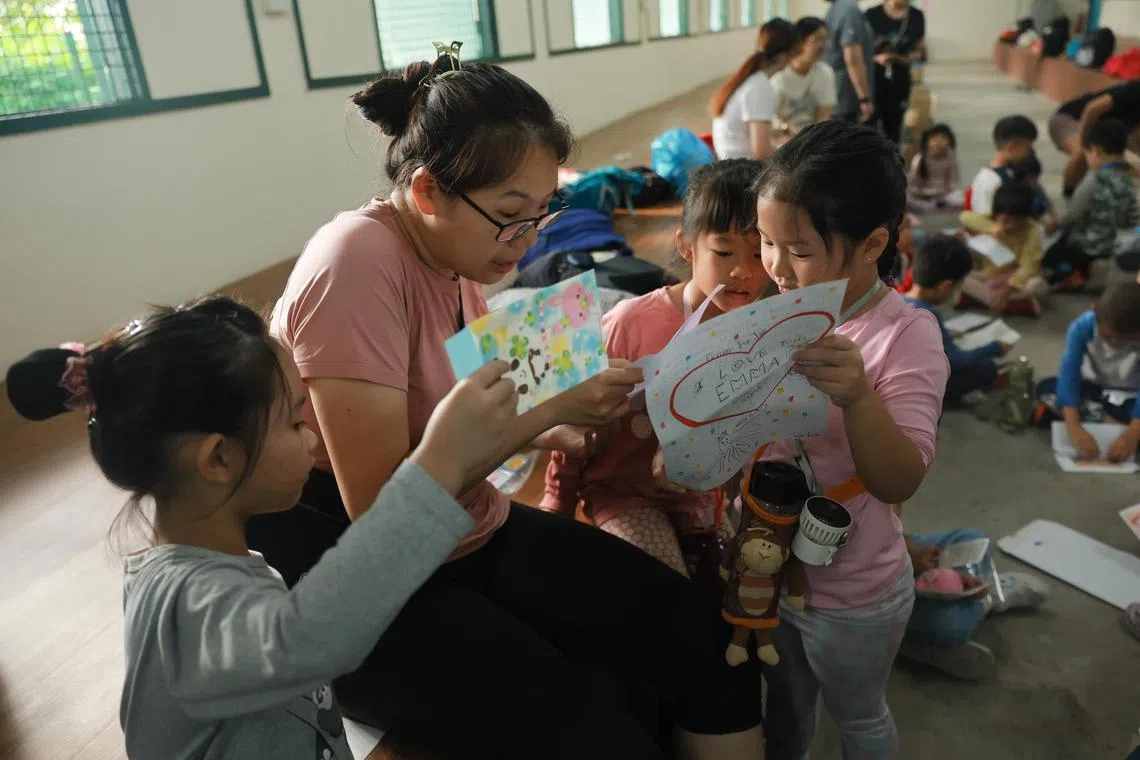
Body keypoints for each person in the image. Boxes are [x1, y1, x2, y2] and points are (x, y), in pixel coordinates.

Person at [247, 50, 770, 760]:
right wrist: (540, 422)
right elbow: (378, 512)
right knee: (597, 731)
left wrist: (571, 422)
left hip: (462, 526)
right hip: (353, 571)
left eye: (543, 209)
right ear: (428, 190)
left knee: (704, 640)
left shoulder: (455, 259)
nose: (527, 240)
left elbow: (496, 387)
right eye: (510, 216)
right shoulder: (357, 263)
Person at [4, 297, 522, 759]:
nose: (313, 438)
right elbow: (306, 638)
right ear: (219, 457)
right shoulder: (188, 605)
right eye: (297, 421)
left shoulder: (213, 567)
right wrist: (438, 466)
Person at [751, 121, 949, 759]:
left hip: (855, 591)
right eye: (764, 242)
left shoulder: (905, 336)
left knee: (859, 719)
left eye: (800, 248)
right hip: (768, 569)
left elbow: (899, 481)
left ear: (872, 244)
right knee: (785, 713)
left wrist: (860, 398)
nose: (775, 267)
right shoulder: (772, 308)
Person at [541, 159, 769, 575]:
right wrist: (558, 500)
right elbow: (572, 416)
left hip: (702, 499)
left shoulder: (762, 329)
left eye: (759, 253)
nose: (744, 271)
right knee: (665, 589)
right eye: (723, 251)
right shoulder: (631, 322)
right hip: (622, 492)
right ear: (686, 246)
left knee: (737, 595)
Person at [898, 526, 1049, 681]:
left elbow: (887, 527)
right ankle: (985, 599)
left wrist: (913, 554)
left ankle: (923, 636)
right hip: (878, 596)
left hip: (889, 555)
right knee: (950, 625)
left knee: (973, 540)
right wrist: (921, 578)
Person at [1035, 283, 1140, 463]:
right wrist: (1073, 426)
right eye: (1108, 337)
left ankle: (1112, 424)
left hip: (1132, 398)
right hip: (1095, 390)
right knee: (1046, 387)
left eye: (1121, 340)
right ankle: (1109, 422)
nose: (1113, 344)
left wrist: (1133, 433)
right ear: (1094, 311)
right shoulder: (1081, 327)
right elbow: (1069, 373)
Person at [904, 235, 1013, 404]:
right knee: (986, 368)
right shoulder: (928, 314)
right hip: (915, 388)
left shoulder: (897, 298)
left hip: (896, 377)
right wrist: (995, 347)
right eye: (957, 286)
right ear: (946, 287)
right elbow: (956, 362)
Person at [1043, 118, 1140, 288]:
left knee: (1050, 255)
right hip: (1115, 245)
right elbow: (1132, 219)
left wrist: (1056, 225)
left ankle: (1076, 274)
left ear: (1095, 151)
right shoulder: (1129, 181)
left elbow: (1073, 214)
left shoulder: (1093, 180)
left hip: (1086, 246)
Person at [712, 19, 800, 160]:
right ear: (785, 55)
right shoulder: (760, 87)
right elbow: (762, 151)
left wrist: (784, 129)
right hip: (742, 168)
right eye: (796, 52)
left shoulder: (752, 78)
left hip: (730, 160)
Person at [960, 180, 1048, 317]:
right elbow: (965, 217)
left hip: (1018, 281)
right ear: (996, 214)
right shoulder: (992, 221)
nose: (1011, 225)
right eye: (1006, 219)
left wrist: (1005, 291)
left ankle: (990, 300)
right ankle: (1016, 304)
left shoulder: (1032, 231)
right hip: (991, 276)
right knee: (958, 276)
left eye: (1016, 220)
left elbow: (1028, 268)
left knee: (1037, 286)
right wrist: (993, 228)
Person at [1048, 80, 1140, 194]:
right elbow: (1092, 108)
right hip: (1071, 119)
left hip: (1103, 128)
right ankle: (1069, 195)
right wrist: (1085, 140)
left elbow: (1135, 138)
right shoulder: (1135, 90)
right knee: (1083, 152)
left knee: (1112, 158)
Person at [865, 0, 927, 144]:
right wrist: (876, 58)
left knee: (894, 129)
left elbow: (919, 51)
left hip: (899, 79)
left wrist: (900, 58)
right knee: (868, 126)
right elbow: (859, 50)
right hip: (873, 79)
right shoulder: (871, 15)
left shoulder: (916, 16)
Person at [770, 17, 836, 144]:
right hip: (782, 140)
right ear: (799, 41)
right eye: (817, 39)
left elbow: (824, 115)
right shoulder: (779, 76)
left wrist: (814, 141)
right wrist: (790, 131)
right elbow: (772, 117)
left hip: (812, 140)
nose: (822, 45)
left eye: (825, 40)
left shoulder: (825, 73)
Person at [967, 114, 1038, 216]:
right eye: (1027, 148)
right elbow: (984, 220)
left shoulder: (1010, 172)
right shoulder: (989, 181)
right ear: (1012, 147)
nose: (1028, 153)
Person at [823, 0, 875, 123]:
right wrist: (864, 98)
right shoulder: (849, 9)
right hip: (847, 97)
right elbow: (852, 58)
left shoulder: (837, 7)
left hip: (838, 94)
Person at [907, 123, 961, 211]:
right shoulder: (919, 159)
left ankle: (937, 206)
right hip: (923, 196)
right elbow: (913, 187)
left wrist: (941, 193)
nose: (938, 143)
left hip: (944, 196)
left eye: (943, 139)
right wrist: (926, 194)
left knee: (957, 199)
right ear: (927, 141)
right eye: (935, 139)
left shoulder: (951, 159)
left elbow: (952, 184)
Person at [1011, 151, 1060, 232]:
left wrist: (1054, 218)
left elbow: (1047, 201)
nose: (1036, 181)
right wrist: (1044, 224)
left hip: (1036, 211)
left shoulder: (1036, 186)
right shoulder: (1015, 191)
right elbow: (1026, 216)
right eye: (1033, 178)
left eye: (1036, 178)